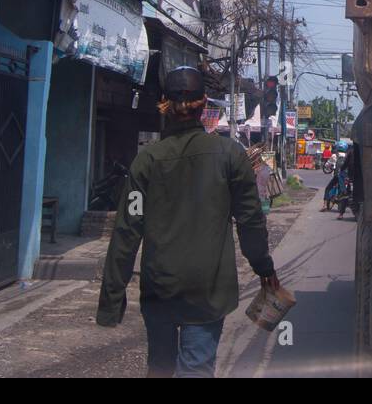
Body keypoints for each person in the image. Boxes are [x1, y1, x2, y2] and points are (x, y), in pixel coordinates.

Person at [96, 66, 280, 378]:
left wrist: (111, 302)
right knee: (196, 368)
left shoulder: (147, 162)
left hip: (159, 289)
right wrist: (265, 269)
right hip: (207, 290)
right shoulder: (230, 156)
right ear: (205, 103)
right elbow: (250, 222)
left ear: (164, 104)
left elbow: (126, 234)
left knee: (160, 369)